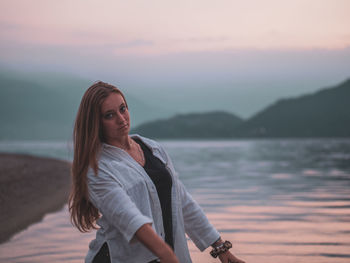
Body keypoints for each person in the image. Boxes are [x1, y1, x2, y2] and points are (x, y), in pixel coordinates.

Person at [69, 81, 245, 263]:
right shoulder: (97, 168)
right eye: (109, 115)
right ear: (96, 123)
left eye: (123, 109)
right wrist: (168, 256)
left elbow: (183, 202)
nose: (121, 119)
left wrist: (220, 247)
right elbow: (131, 220)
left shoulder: (153, 149)